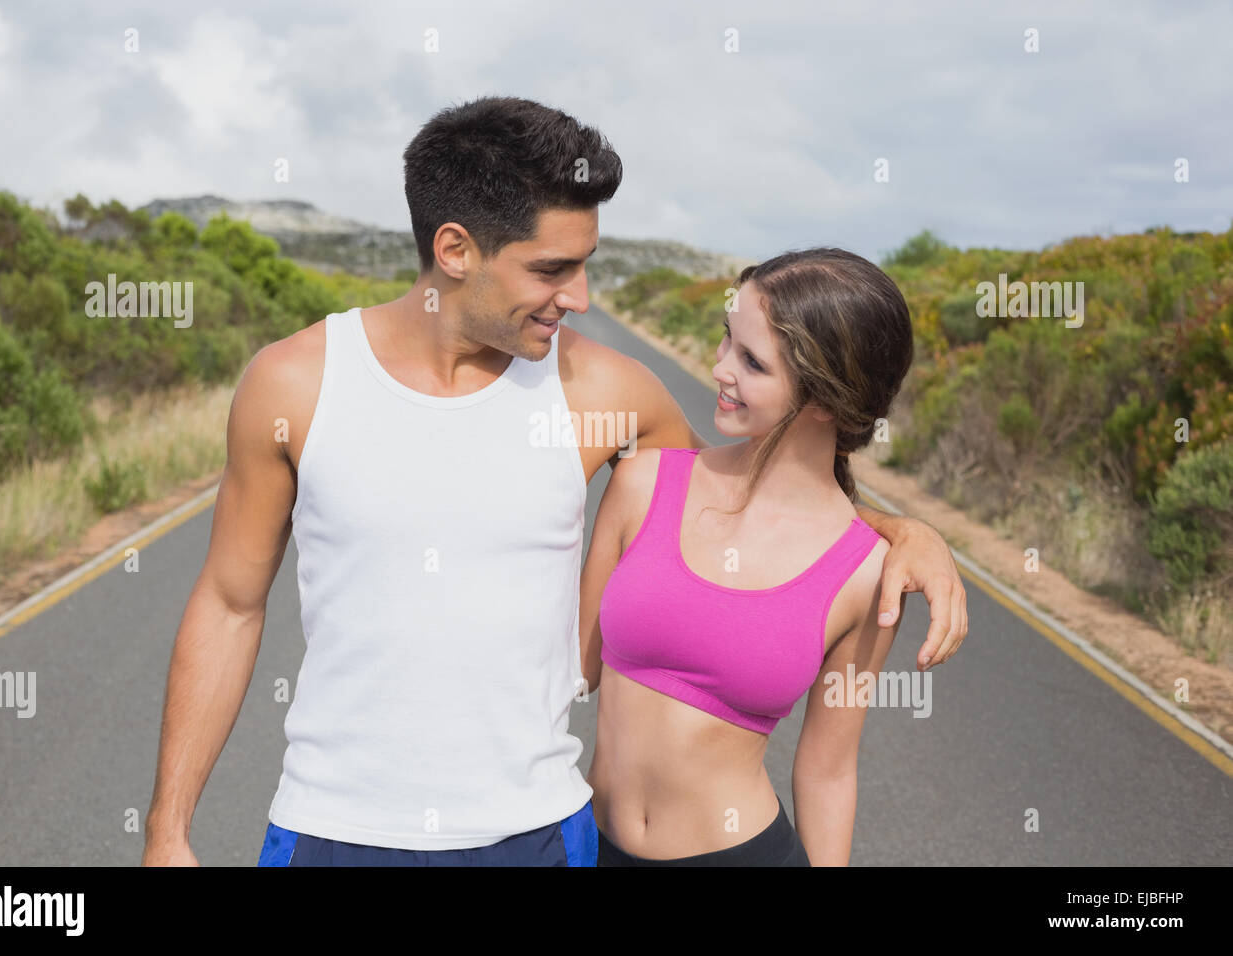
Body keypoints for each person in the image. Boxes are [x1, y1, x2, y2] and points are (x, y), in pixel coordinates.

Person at [141, 96, 968, 868]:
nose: (578, 296)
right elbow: (228, 602)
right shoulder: (292, 385)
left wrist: (904, 533)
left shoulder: (608, 396)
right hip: (332, 830)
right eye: (551, 269)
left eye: (588, 265)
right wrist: (168, 829)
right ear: (455, 249)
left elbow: (753, 499)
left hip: (539, 834)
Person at [580, 249, 926, 866]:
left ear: (827, 400)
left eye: (752, 361)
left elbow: (827, 773)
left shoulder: (869, 575)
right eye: (726, 341)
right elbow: (568, 674)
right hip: (591, 847)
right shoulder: (643, 482)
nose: (719, 368)